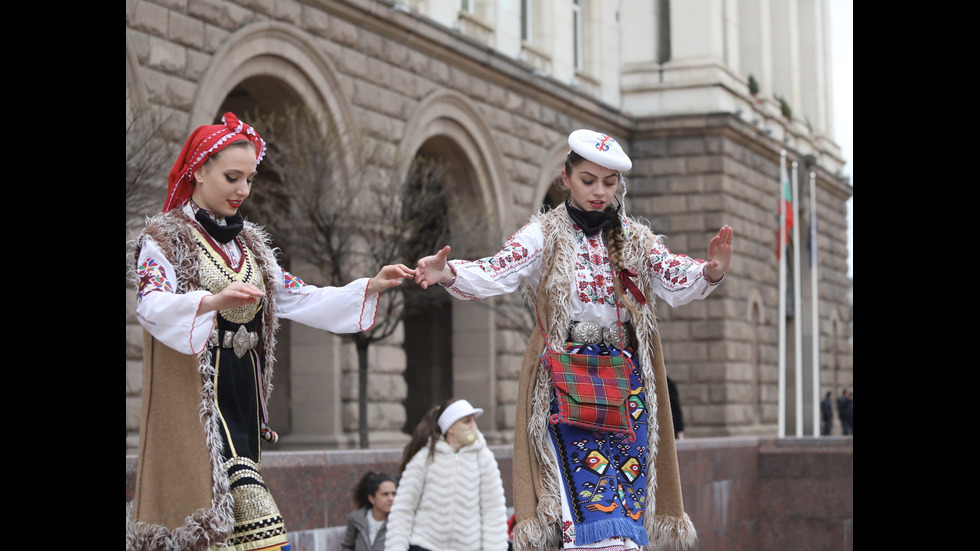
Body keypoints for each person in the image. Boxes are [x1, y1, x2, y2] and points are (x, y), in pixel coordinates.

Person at [414, 129, 734, 551]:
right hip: (566, 380)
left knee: (628, 499)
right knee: (582, 503)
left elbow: (678, 278)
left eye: (609, 182)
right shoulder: (543, 234)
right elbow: (498, 270)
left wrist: (710, 271)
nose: (599, 192)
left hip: (627, 385)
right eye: (588, 180)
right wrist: (449, 272)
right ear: (566, 178)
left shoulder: (637, 240)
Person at [125, 112, 415, 551]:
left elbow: (297, 296)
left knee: (238, 525)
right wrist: (210, 302)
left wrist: (368, 287)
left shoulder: (251, 247)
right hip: (196, 402)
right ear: (199, 170)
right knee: (241, 522)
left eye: (249, 180)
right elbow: (151, 305)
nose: (242, 189)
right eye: (232, 177)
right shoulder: (165, 240)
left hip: (241, 396)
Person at [384, 398, 508, 551]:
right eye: (467, 421)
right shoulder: (425, 458)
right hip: (425, 545)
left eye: (473, 421)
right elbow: (403, 508)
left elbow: (493, 511)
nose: (473, 426)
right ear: (450, 427)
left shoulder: (483, 458)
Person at [342, 471, 400, 551]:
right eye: (385, 494)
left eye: (393, 494)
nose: (391, 499)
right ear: (372, 498)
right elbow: (347, 546)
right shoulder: (356, 519)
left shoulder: (398, 521)